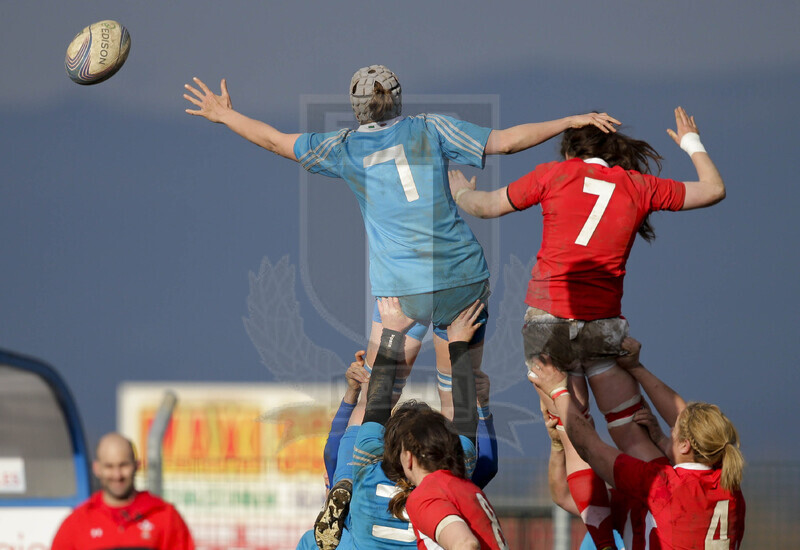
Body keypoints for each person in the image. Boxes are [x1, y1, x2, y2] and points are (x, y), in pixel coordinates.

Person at [183, 66, 620, 418]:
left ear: (355, 108)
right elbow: (505, 143)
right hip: (461, 279)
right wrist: (568, 120)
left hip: (402, 291)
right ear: (397, 99)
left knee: (378, 398)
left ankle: (353, 479)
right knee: (459, 397)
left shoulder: (344, 147)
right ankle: (457, 485)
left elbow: (275, 141)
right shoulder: (431, 128)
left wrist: (225, 115)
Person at [450, 106, 725, 549]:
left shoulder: (554, 175)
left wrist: (462, 192)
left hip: (548, 322)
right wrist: (691, 142)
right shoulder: (638, 185)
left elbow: (485, 207)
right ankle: (666, 511)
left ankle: (602, 540)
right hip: (603, 327)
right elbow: (714, 189)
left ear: (570, 150)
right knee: (629, 428)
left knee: (575, 434)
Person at [530, 340, 746, 550]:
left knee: (591, 438)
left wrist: (558, 392)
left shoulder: (662, 486)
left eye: (673, 431)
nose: (669, 430)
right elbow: (687, 421)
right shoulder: (729, 488)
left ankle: (585, 363)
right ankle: (599, 361)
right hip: (665, 497)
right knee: (629, 431)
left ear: (685, 446)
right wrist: (636, 368)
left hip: (657, 496)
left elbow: (590, 449)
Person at [382, 304, 509, 550]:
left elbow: (465, 544)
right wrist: (458, 344)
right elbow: (483, 455)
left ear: (406, 457)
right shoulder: (462, 485)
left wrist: (390, 335)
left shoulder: (421, 491)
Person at [51, 432, 194, 550]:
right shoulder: (77, 523)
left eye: (123, 465)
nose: (117, 475)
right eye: (109, 466)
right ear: (97, 468)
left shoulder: (165, 517)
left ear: (137, 465)